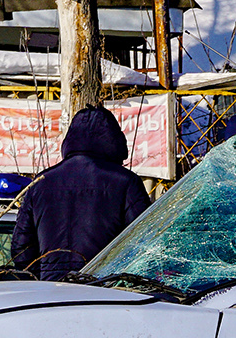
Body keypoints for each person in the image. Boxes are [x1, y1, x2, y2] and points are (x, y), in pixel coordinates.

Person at [10, 105, 152, 280]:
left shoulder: (41, 183)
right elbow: (145, 241)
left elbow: (21, 250)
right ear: (115, 140)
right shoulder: (126, 182)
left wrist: (42, 279)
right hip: (106, 290)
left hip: (50, 294)